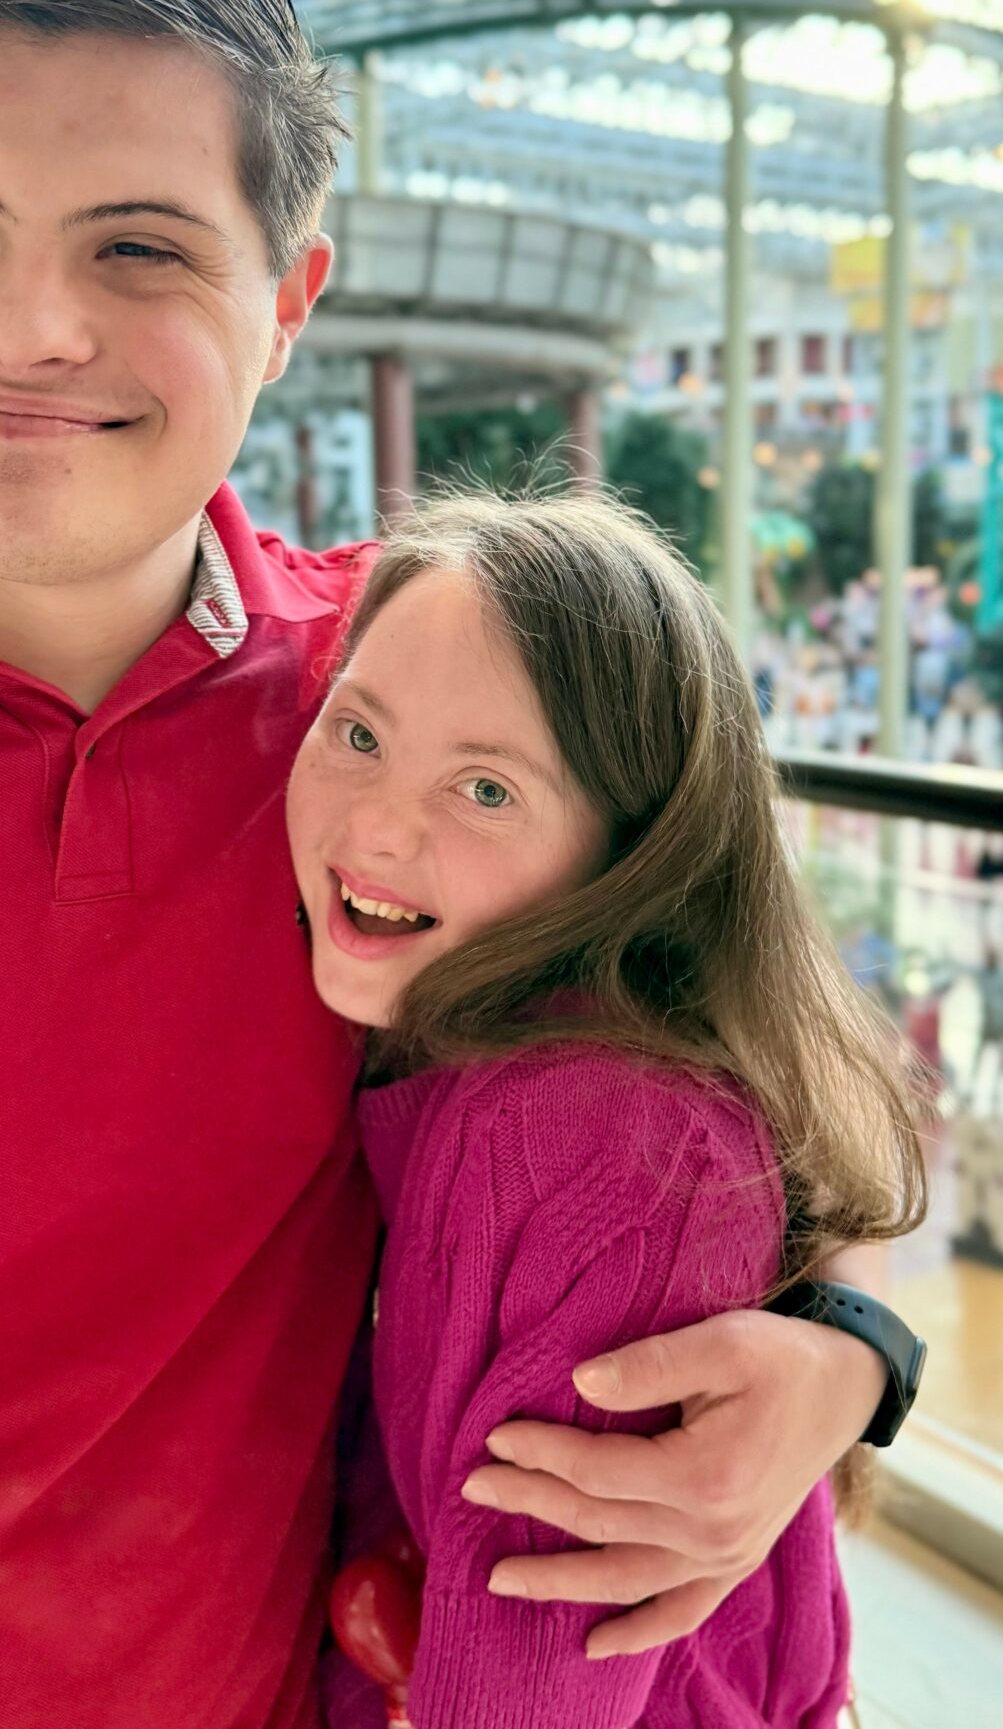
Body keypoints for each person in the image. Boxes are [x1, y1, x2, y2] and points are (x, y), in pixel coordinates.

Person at [0, 0, 907, 1729]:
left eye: (139, 248)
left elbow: (748, 1035)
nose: (29, 326)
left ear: (287, 307)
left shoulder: (400, 720)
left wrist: (846, 1353)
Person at [288, 494, 923, 1727]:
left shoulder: (588, 1143)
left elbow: (539, 1664)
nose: (375, 825)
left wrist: (863, 1349)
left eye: (486, 788)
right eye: (357, 732)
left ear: (637, 856)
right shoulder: (467, 999)